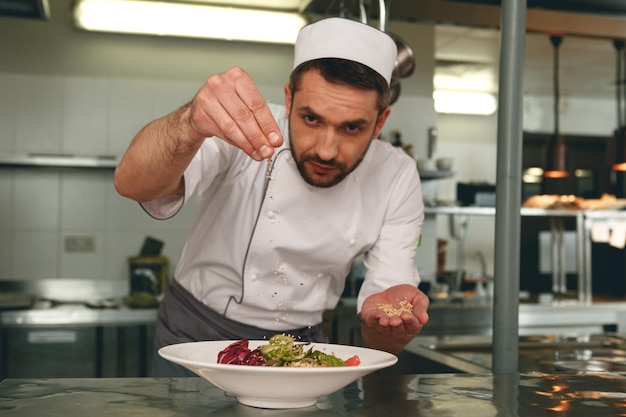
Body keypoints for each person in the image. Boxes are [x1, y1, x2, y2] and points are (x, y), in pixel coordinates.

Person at [114, 17, 429, 376]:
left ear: (381, 122)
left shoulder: (396, 174)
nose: (326, 150)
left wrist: (388, 321)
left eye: (352, 127)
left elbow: (384, 331)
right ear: (289, 100)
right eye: (311, 119)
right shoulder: (243, 127)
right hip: (196, 341)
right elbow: (131, 184)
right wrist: (189, 122)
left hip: (302, 351)